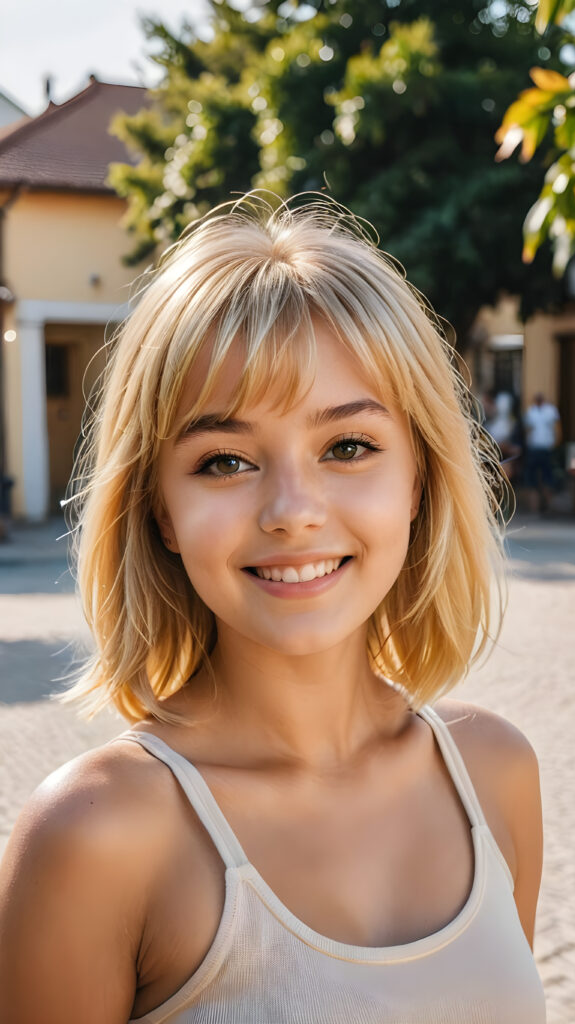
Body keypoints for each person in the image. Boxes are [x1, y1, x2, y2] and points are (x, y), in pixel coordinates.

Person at [0, 195, 545, 1023]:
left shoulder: (497, 775)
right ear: (158, 510)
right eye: (224, 460)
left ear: (420, 481)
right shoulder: (95, 838)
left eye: (348, 447)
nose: (294, 510)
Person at [524, 391, 562, 513]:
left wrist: (556, 443)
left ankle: (549, 507)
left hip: (546, 448)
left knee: (547, 477)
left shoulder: (550, 410)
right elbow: (528, 429)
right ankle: (535, 508)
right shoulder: (531, 411)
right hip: (534, 448)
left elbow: (557, 428)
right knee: (533, 479)